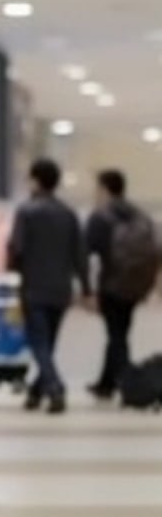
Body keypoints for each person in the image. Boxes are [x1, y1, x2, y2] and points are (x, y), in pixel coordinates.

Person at [8, 159, 91, 414]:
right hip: (61, 291)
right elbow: (80, 255)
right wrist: (87, 289)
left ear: (35, 180)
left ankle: (54, 388)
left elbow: (17, 249)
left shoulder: (27, 211)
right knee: (48, 344)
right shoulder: (68, 213)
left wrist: (11, 276)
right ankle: (35, 393)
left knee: (39, 344)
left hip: (34, 289)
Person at [86, 170, 157, 401]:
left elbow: (86, 252)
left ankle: (130, 384)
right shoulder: (138, 214)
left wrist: (87, 289)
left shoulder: (101, 217)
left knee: (116, 336)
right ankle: (106, 383)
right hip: (134, 285)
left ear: (105, 189)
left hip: (111, 284)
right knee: (120, 332)